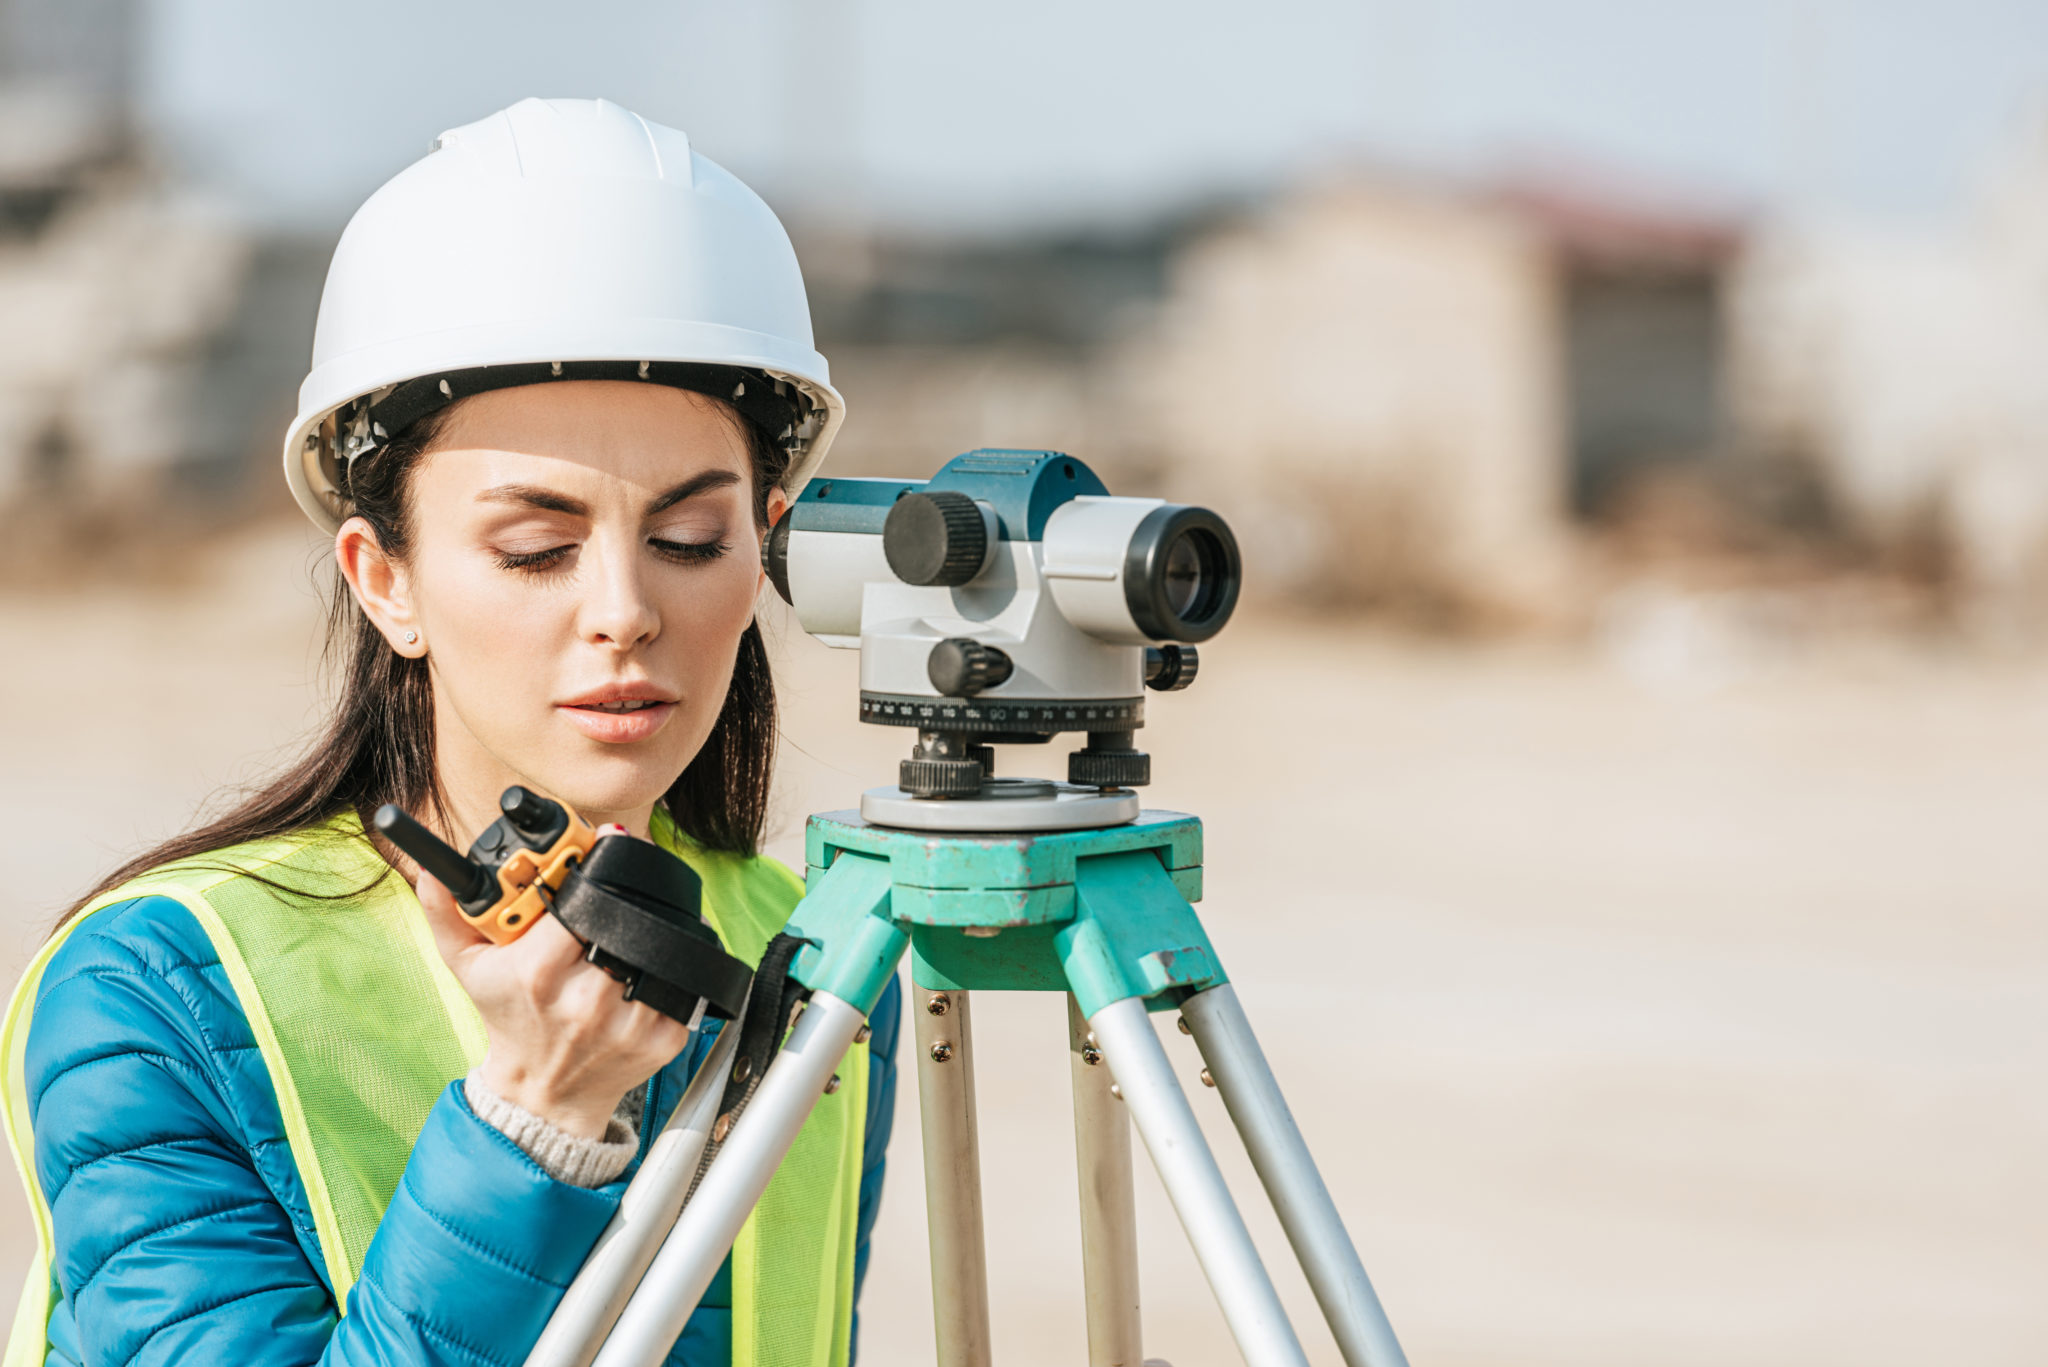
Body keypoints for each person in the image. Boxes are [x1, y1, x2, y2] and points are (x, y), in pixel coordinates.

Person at [0, 97, 899, 1367]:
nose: (627, 612)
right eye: (536, 550)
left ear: (769, 545)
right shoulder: (164, 988)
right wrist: (531, 1121)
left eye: (691, 540)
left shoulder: (816, 959)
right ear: (385, 580)